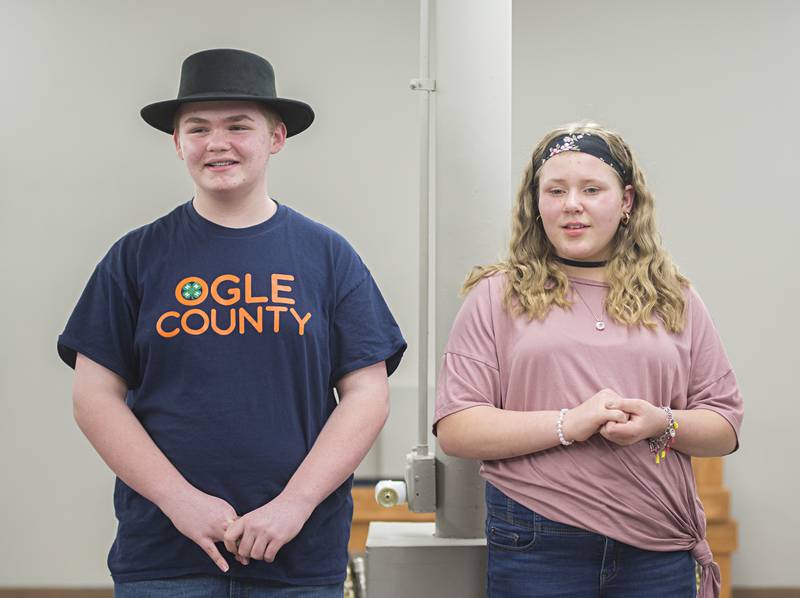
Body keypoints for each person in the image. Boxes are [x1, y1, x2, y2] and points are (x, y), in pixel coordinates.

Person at [57, 48, 406, 597]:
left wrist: (293, 506)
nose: (216, 143)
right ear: (177, 143)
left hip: (297, 555)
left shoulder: (328, 257)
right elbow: (94, 397)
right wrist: (179, 502)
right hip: (165, 557)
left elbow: (367, 394)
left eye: (238, 126)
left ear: (276, 138)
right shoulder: (135, 258)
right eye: (197, 128)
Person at [434, 123, 743, 598]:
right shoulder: (496, 296)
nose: (571, 204)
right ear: (536, 205)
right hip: (536, 538)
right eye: (555, 190)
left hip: (657, 542)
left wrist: (660, 421)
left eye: (591, 189)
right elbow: (457, 428)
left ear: (627, 202)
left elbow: (724, 426)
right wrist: (567, 423)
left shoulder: (674, 298)